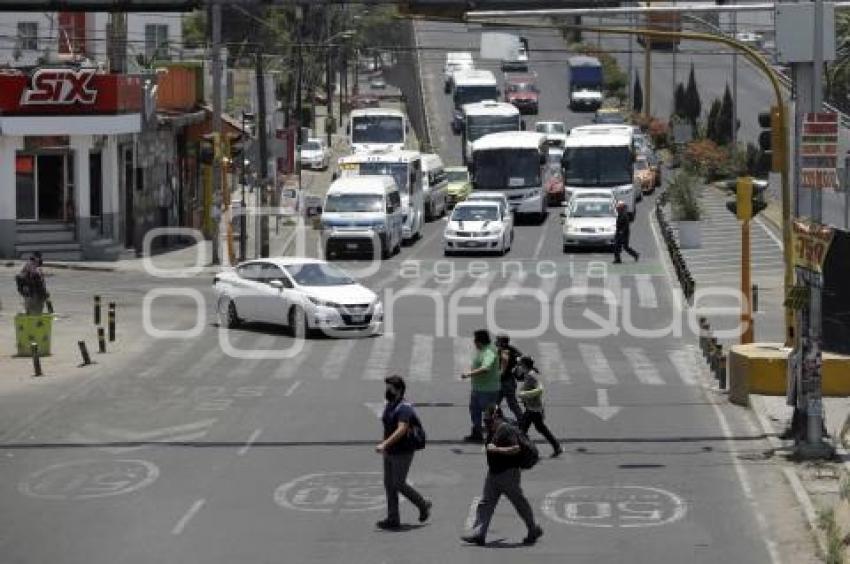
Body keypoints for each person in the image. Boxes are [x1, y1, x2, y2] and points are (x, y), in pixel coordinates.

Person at [461, 404, 544, 546]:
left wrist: (497, 449)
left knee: (519, 503)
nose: (486, 424)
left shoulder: (506, 429)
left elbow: (516, 448)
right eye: (485, 421)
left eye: (489, 421)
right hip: (493, 474)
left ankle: (533, 528)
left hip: (508, 474)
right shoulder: (494, 429)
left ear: (498, 417)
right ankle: (479, 534)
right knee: (485, 503)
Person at [375, 375, 432, 530]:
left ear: (399, 390)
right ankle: (393, 518)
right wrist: (385, 445)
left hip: (402, 451)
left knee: (398, 483)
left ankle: (423, 504)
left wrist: (384, 444)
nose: (387, 391)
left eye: (390, 388)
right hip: (390, 450)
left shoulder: (404, 408)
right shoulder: (391, 404)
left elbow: (402, 429)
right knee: (389, 484)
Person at [515, 356, 562, 458]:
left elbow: (540, 389)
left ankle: (524, 452)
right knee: (539, 428)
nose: (518, 367)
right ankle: (556, 446)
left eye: (520, 365)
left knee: (522, 430)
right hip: (533, 408)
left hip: (533, 409)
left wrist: (524, 394)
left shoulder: (531, 375)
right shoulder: (528, 374)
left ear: (524, 366)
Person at [461, 330, 502, 443]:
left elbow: (485, 368)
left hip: (487, 390)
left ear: (479, 341)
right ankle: (477, 433)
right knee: (474, 410)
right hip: (478, 388)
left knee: (489, 415)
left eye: (475, 340)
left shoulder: (489, 351)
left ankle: (496, 436)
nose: (474, 343)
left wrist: (468, 374)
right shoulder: (484, 349)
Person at [495, 334, 524, 421]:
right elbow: (520, 356)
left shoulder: (505, 353)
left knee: (496, 403)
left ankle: (521, 421)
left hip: (504, 382)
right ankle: (521, 420)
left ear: (503, 343)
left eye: (498, 341)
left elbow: (502, 372)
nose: (496, 342)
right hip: (509, 381)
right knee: (510, 403)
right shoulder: (511, 349)